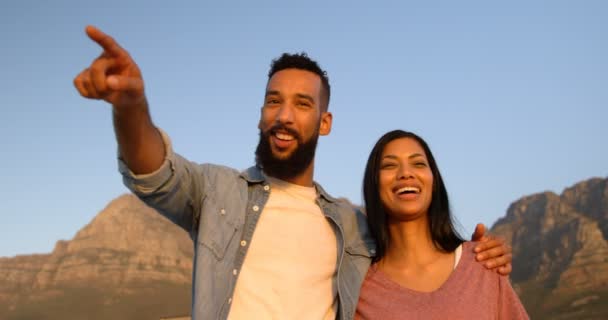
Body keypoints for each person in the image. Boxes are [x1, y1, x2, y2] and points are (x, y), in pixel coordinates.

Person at [73, 25, 513, 320]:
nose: (284, 115)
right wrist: (131, 106)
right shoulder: (216, 192)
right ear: (261, 113)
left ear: (324, 123)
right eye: (273, 100)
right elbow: (154, 172)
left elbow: (415, 259)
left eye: (303, 104)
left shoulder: (354, 228)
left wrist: (474, 258)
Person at [356, 130, 529, 319]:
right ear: (373, 184)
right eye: (389, 165)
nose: (406, 173)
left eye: (418, 163)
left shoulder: (482, 262)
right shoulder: (359, 290)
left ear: (434, 181)